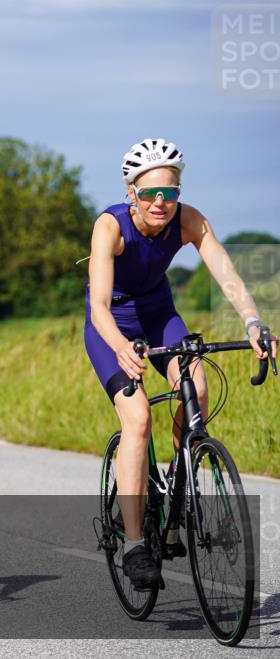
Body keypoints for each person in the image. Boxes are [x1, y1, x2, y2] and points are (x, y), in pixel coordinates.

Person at [85, 138, 277, 591]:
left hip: (159, 315)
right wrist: (121, 347)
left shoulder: (189, 220)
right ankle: (135, 545)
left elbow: (227, 276)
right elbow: (98, 306)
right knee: (138, 418)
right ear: (131, 193)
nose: (160, 202)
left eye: (169, 193)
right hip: (112, 324)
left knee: (199, 389)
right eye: (150, 193)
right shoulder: (110, 226)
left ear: (178, 193)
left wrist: (253, 322)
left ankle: (176, 478)